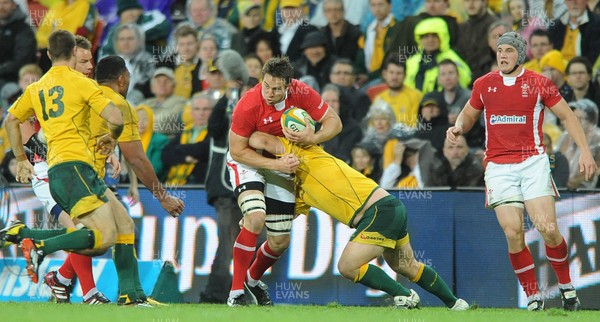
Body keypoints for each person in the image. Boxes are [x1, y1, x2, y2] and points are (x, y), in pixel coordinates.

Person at [446, 31, 597, 311]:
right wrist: (458, 126)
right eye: (499, 50)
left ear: (520, 54)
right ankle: (533, 297)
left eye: (508, 51)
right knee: (513, 232)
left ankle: (566, 288)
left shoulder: (540, 83)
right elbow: (468, 113)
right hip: (498, 166)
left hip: (533, 163)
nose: (502, 55)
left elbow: (567, 116)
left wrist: (585, 152)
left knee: (548, 229)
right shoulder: (484, 84)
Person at [247, 131, 469, 311]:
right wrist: (255, 216)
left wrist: (282, 148)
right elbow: (284, 218)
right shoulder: (299, 191)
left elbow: (258, 138)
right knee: (406, 266)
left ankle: (404, 296)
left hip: (377, 211)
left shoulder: (303, 150)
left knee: (347, 266)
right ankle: (456, 304)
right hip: (389, 208)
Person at [226, 56, 342, 306]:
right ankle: (235, 294)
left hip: (283, 162)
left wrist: (314, 137)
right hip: (250, 161)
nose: (270, 92)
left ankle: (252, 280)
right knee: (255, 218)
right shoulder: (248, 104)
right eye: (266, 85)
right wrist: (275, 164)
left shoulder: (302, 92)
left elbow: (335, 122)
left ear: (289, 85)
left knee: (279, 241)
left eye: (277, 88)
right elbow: (237, 150)